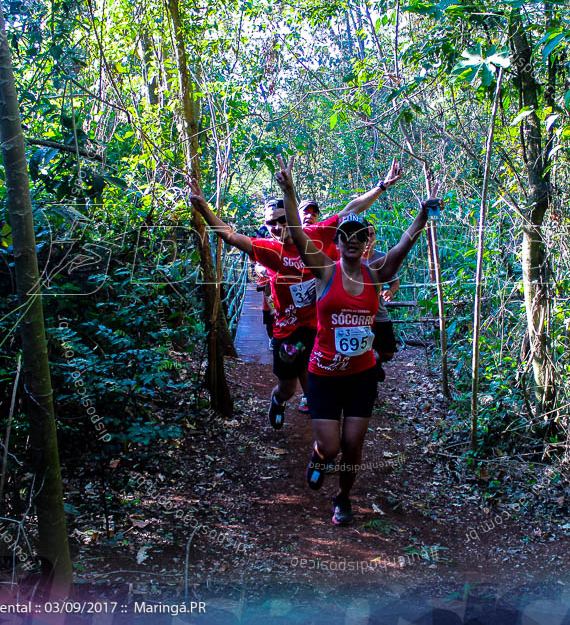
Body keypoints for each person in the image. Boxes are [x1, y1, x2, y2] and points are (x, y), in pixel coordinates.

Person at [274, 156, 436, 526]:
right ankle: (318, 456)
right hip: (325, 373)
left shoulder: (375, 271)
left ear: (365, 243)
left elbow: (403, 247)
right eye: (344, 235)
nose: (350, 241)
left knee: (352, 446)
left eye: (358, 236)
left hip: (361, 373)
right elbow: (298, 236)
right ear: (338, 241)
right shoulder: (324, 269)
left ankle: (343, 497)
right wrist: (289, 192)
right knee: (330, 447)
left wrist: (422, 216)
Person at [185, 160, 402, 430]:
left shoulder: (316, 235)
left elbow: (351, 209)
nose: (276, 227)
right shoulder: (269, 250)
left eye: (281, 220)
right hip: (288, 330)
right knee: (286, 389)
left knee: (318, 389)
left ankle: (326, 444)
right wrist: (204, 209)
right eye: (270, 223)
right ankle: (278, 400)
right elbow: (230, 236)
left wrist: (381, 186)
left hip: (319, 326)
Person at [363, 224, 401, 381]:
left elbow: (395, 282)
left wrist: (390, 292)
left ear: (375, 237)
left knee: (387, 353)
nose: (368, 239)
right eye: (364, 235)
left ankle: (373, 364)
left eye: (371, 234)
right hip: (357, 317)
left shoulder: (381, 258)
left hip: (379, 313)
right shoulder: (350, 258)